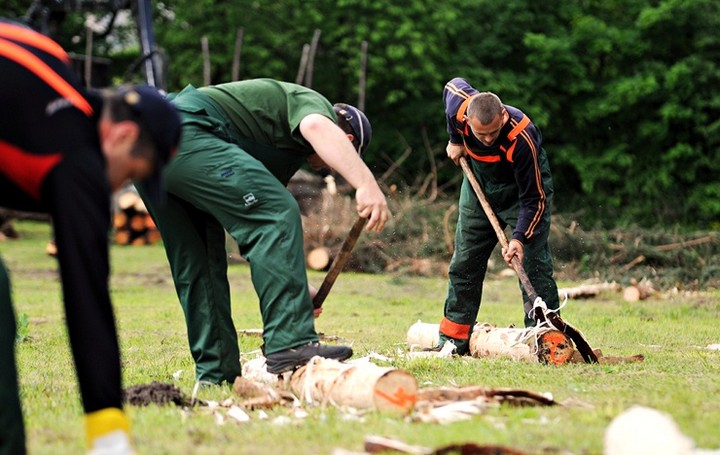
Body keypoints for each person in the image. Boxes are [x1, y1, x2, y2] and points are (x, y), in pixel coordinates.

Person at [0, 20, 181, 454]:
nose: (117, 188)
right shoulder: (73, 155)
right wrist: (109, 436)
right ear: (122, 135)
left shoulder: (51, 65)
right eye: (130, 175)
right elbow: (86, 297)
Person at [137, 79, 390, 384]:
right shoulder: (316, 108)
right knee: (278, 211)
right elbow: (316, 130)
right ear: (346, 138)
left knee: (199, 264)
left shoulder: (284, 154)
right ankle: (291, 343)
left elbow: (263, 236)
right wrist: (366, 183)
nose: (329, 170)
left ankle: (216, 374)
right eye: (336, 163)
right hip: (186, 131)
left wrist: (296, 287)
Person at [438, 77, 560, 355]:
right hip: (478, 186)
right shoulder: (459, 109)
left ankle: (546, 339)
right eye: (482, 135)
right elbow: (451, 86)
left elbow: (534, 199)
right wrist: (455, 140)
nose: (489, 139)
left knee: (534, 267)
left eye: (494, 132)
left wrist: (518, 239)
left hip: (521, 194)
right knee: (465, 262)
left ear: (504, 115)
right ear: (467, 121)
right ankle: (453, 340)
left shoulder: (522, 137)